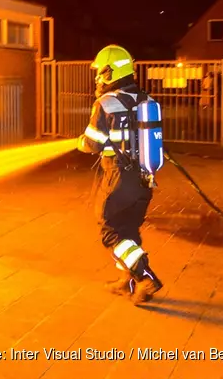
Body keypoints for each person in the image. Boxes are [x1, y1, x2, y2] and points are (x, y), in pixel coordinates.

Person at [77, 44, 163, 304]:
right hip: (144, 179)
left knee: (110, 230)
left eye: (100, 72)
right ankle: (126, 282)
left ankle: (145, 277)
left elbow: (91, 144)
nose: (97, 78)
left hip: (118, 177)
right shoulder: (146, 100)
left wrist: (80, 141)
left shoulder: (107, 103)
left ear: (110, 72)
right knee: (128, 230)